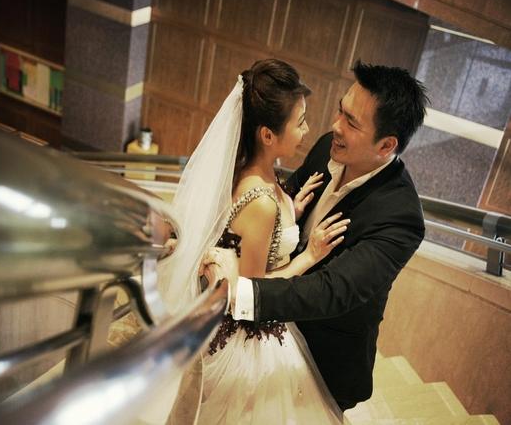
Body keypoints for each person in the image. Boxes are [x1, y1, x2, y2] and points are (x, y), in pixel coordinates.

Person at [202, 60, 429, 412]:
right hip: (265, 335)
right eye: (341, 110)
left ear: (386, 145)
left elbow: (331, 289)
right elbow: (279, 207)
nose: (335, 126)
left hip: (325, 356)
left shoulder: (400, 218)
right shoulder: (329, 147)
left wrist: (238, 292)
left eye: (351, 122)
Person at [159, 59, 349, 424]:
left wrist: (289, 208)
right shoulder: (260, 202)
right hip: (249, 339)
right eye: (300, 121)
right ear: (267, 135)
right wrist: (308, 256)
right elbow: (252, 291)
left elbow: (245, 237)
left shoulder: (254, 173)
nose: (307, 130)